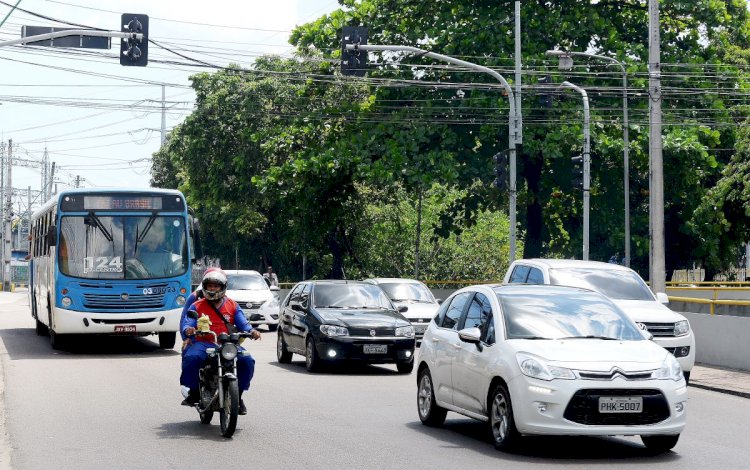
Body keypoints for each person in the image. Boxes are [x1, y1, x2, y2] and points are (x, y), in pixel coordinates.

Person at [180, 269, 261, 415]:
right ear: (205, 287)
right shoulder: (197, 305)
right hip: (204, 342)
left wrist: (252, 331)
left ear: (222, 287)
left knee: (247, 360)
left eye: (215, 286)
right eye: (210, 286)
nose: (212, 289)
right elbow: (188, 322)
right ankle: (194, 392)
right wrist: (189, 330)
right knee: (192, 358)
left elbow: (244, 324)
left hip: (227, 344)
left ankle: (239, 396)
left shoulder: (233, 305)